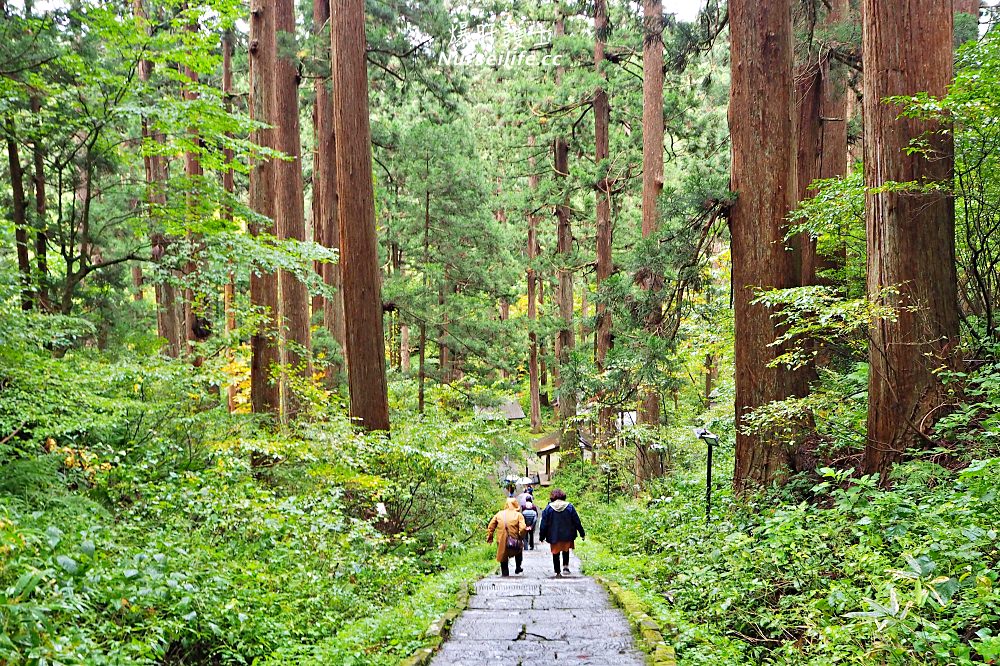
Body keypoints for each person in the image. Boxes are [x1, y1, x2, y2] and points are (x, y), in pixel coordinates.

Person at [538, 488, 585, 577]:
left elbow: (543, 524)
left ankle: (557, 571)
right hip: (568, 534)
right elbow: (576, 521)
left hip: (554, 535)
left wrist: (542, 536)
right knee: (565, 549)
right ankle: (565, 566)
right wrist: (582, 533)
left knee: (555, 552)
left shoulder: (548, 508)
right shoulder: (569, 507)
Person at [486, 497, 527, 577]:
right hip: (515, 539)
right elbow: (522, 528)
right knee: (518, 551)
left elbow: (491, 526)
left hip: (501, 540)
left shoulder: (499, 514)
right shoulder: (519, 515)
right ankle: (518, 567)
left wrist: (490, 537)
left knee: (503, 557)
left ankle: (505, 574)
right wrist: (521, 536)